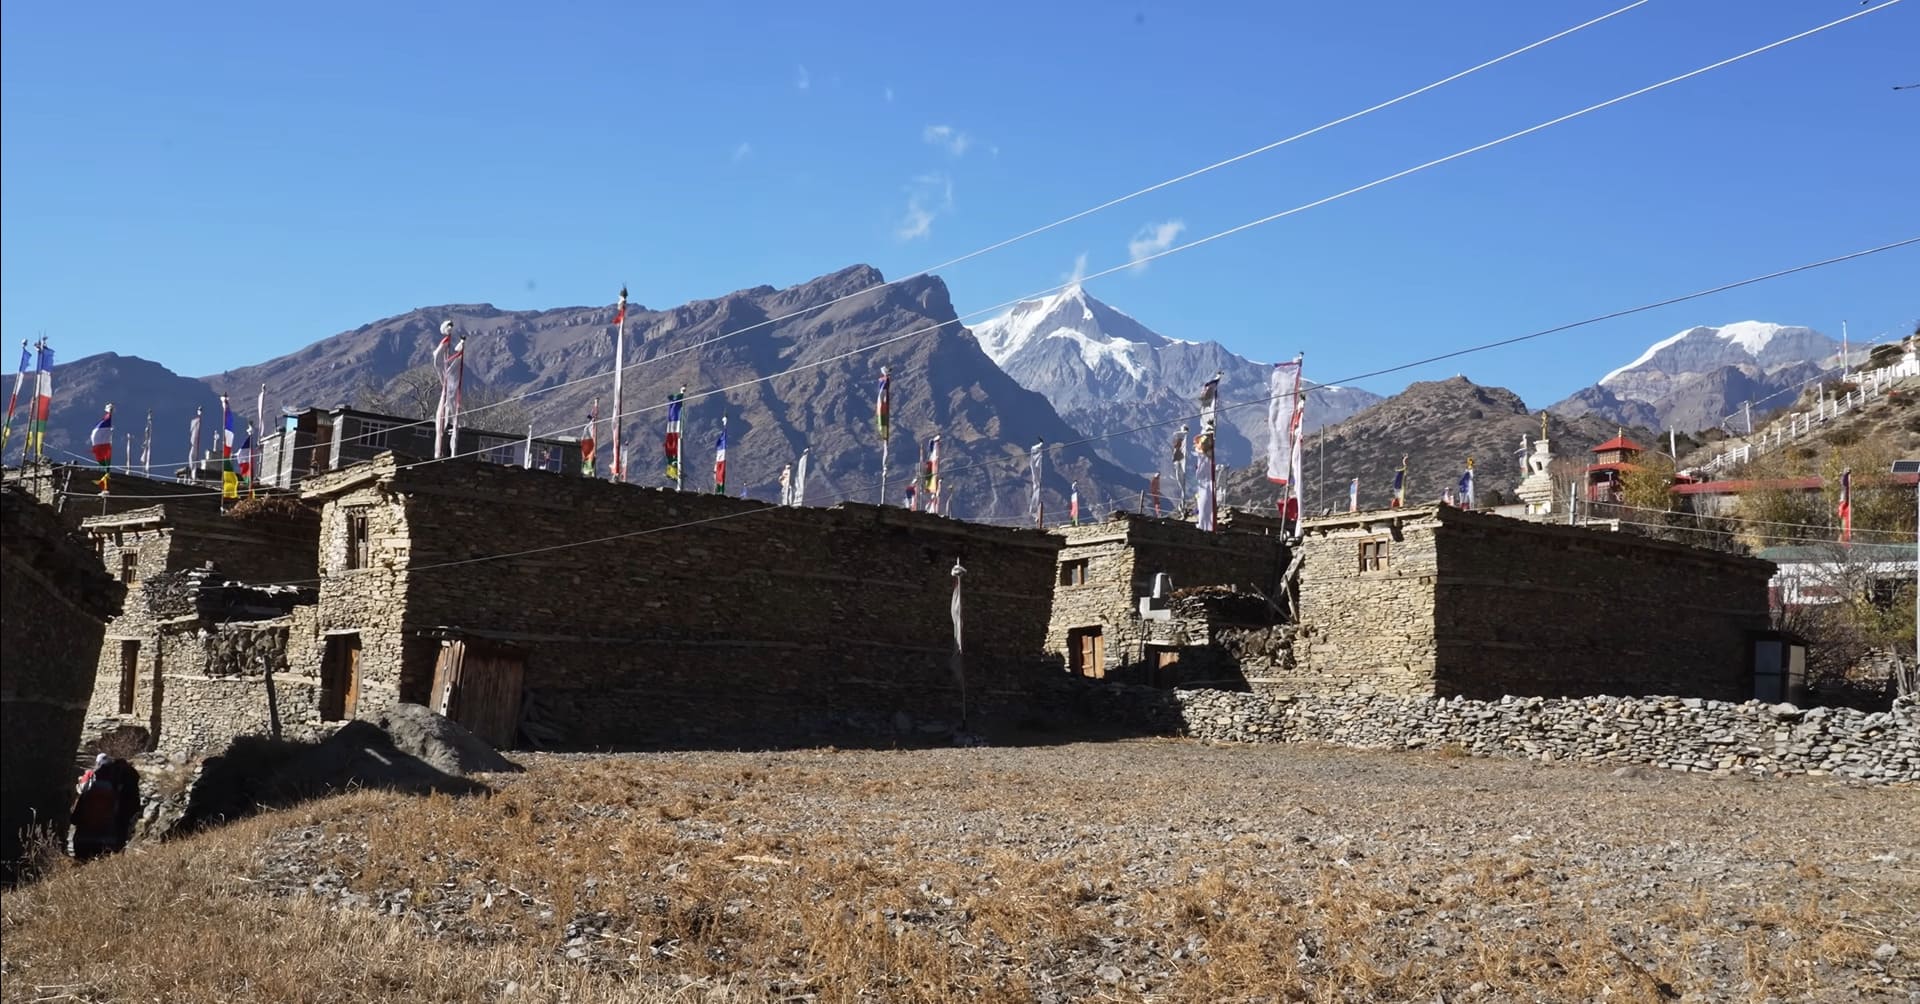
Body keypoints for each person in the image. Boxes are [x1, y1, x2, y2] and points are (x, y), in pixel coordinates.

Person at [70, 754, 121, 861]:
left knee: (81, 864)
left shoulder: (88, 793)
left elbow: (74, 818)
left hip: (83, 838)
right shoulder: (116, 795)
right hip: (106, 840)